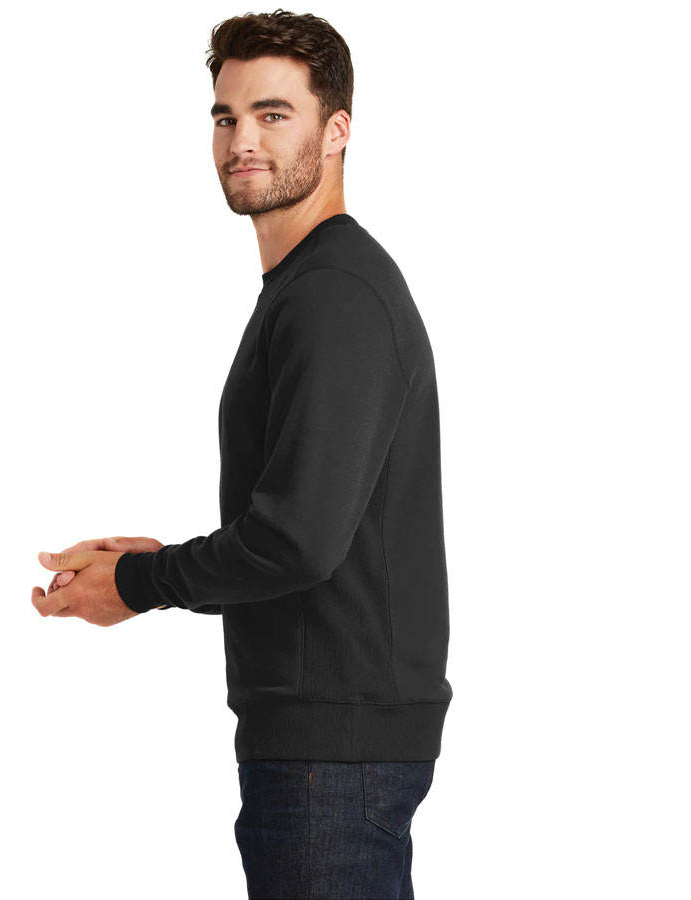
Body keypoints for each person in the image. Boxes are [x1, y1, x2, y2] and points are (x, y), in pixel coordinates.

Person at [31, 10, 452, 899]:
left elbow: (297, 542)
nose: (242, 142)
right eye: (226, 117)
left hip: (330, 762)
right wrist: (167, 565)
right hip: (328, 752)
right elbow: (306, 530)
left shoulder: (333, 294)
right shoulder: (309, 288)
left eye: (273, 114)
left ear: (336, 130)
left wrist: (143, 584)